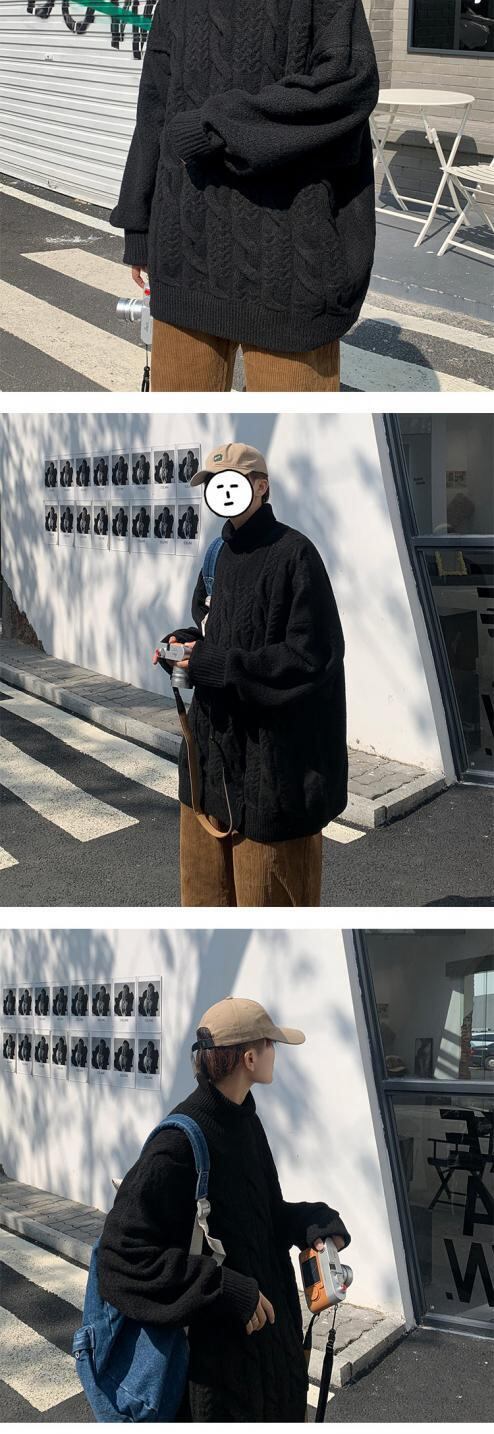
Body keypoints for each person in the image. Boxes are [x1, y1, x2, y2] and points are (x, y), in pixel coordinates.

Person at [110, 0, 379, 394]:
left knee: (296, 440)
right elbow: (154, 110)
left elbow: (348, 83)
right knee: (182, 433)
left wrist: (217, 128)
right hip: (184, 254)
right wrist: (139, 224)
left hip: (290, 264)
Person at [97, 996, 350, 1422]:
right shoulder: (177, 1144)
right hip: (218, 1384)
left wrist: (314, 1222)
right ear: (249, 1058)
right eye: (271, 1044)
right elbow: (120, 1259)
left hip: (273, 1365)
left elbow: (260, 1218)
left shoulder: (245, 1120)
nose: (275, 1053)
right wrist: (222, 1288)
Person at [154, 441, 347, 907]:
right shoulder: (217, 554)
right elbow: (211, 629)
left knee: (271, 909)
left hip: (272, 776)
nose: (221, 493)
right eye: (212, 485)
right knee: (203, 902)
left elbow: (312, 659)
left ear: (261, 486)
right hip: (208, 765)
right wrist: (183, 646)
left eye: (232, 483)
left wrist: (213, 663)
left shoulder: (295, 554)